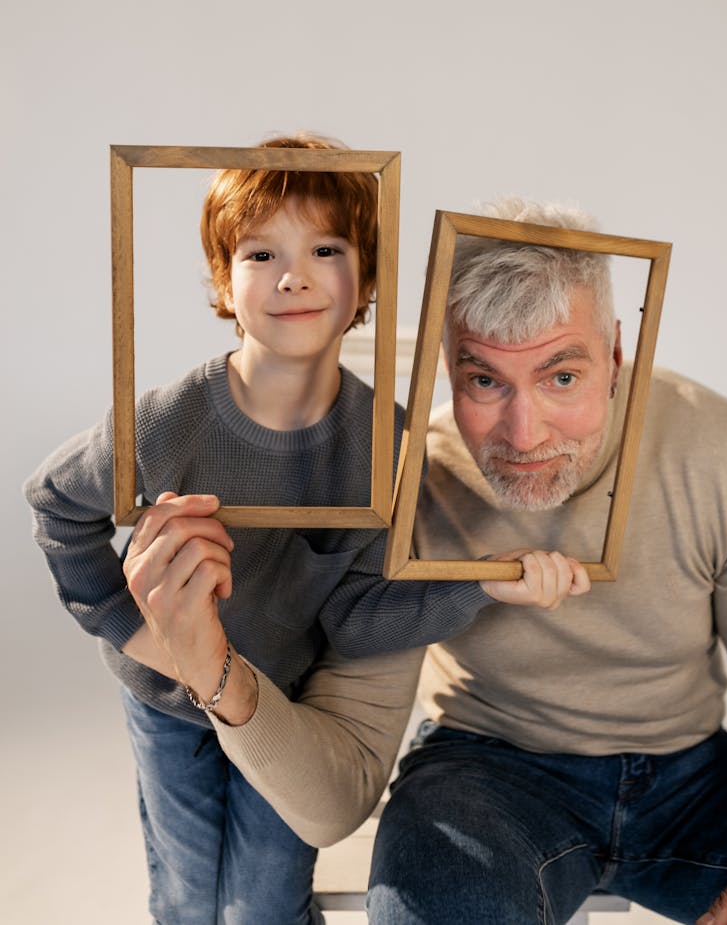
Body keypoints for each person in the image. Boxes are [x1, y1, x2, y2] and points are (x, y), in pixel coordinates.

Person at [24, 152, 588, 925]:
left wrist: (478, 583)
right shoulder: (167, 419)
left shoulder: (385, 444)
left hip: (278, 700)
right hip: (163, 694)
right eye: (262, 254)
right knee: (189, 897)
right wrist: (135, 631)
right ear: (225, 282)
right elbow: (55, 505)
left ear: (365, 280)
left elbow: (357, 616)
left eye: (325, 250)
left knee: (264, 903)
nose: (294, 275)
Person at [364, 197, 727, 924]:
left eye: (561, 377)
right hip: (487, 769)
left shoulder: (719, 445)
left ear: (613, 353)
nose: (524, 430)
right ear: (448, 363)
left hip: (694, 772)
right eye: (486, 381)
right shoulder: (414, 475)